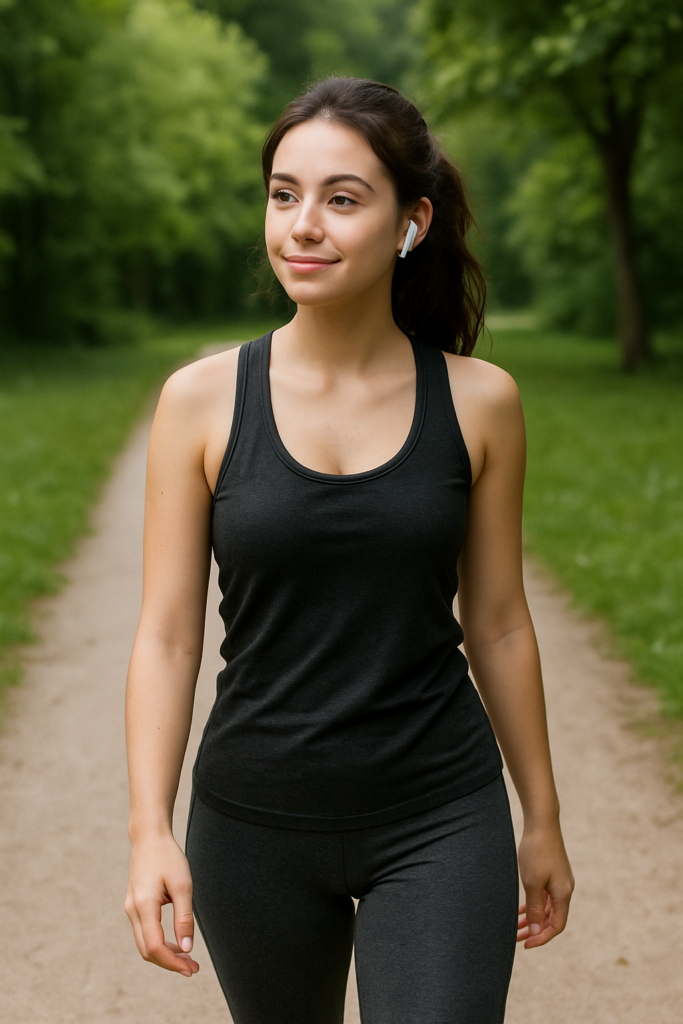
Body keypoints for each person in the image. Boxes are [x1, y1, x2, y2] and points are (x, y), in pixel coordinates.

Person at [124, 77, 574, 1024]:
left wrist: (540, 815)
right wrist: (148, 832)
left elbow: (497, 623)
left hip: (439, 812)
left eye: (341, 198)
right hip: (253, 827)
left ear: (410, 222)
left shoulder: (480, 400)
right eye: (283, 194)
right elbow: (166, 636)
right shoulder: (199, 402)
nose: (302, 226)